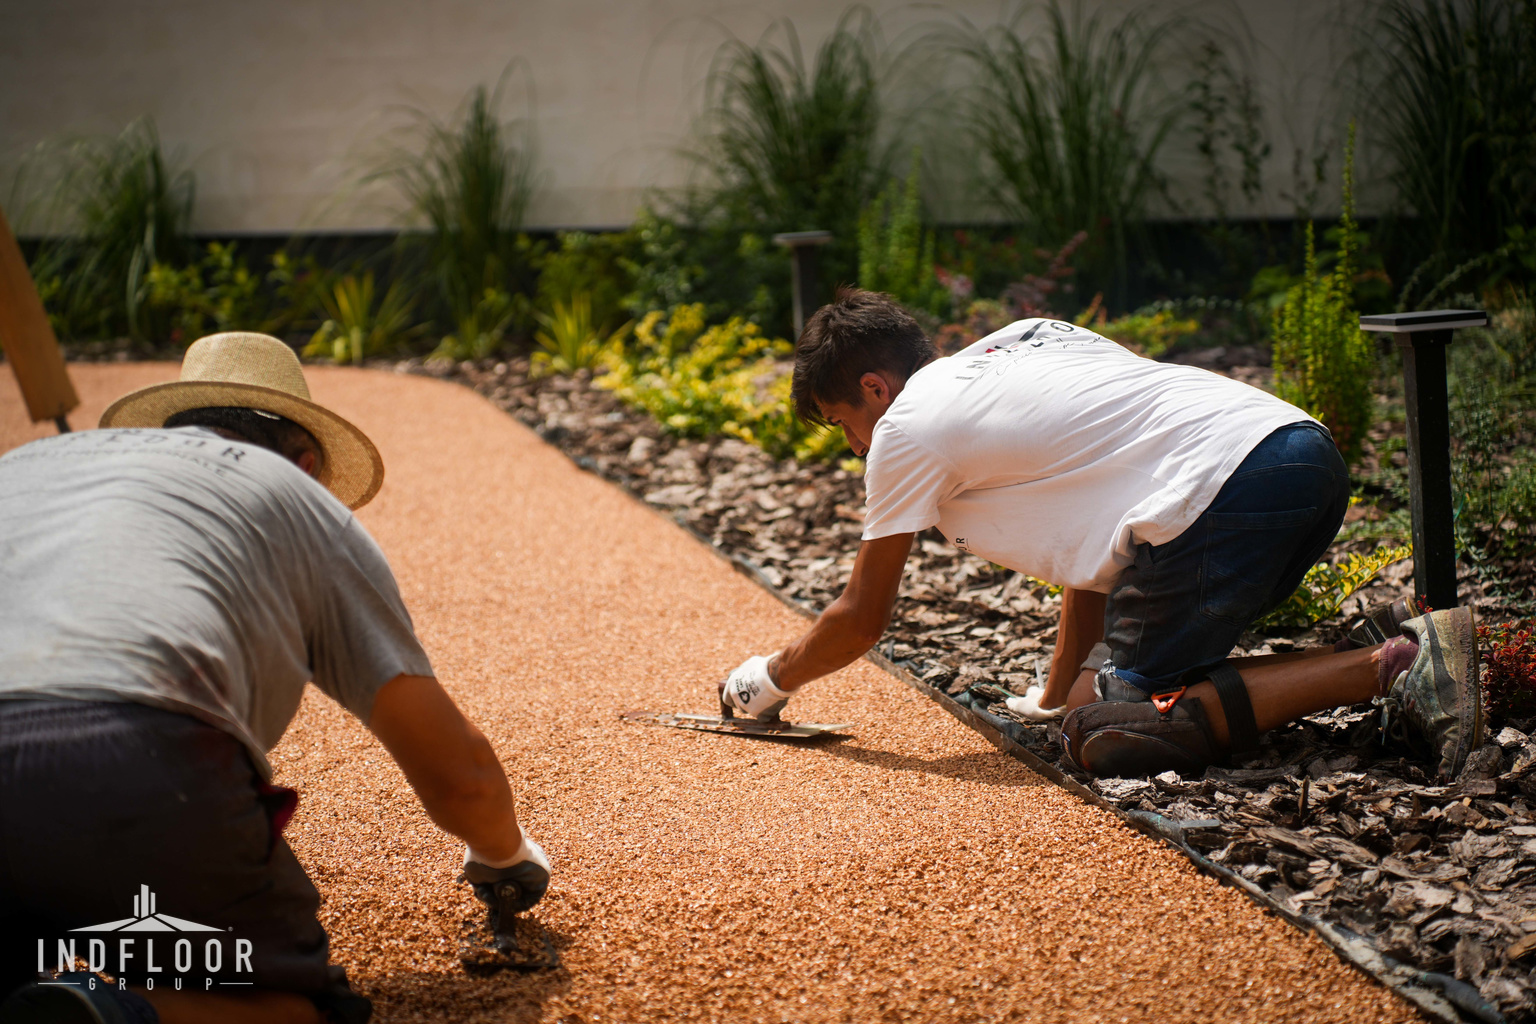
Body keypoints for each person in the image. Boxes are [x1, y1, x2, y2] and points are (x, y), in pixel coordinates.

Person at [0, 333, 549, 1024]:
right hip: (137, 760)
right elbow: (459, 776)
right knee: (293, 1010)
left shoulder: (22, 466)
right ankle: (107, 1012)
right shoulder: (294, 497)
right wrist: (504, 856)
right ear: (308, 463)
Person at [718, 290, 1481, 782]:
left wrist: (767, 680)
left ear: (875, 390)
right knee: (1079, 704)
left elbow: (861, 615)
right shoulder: (1025, 340)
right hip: (1299, 454)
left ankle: (1398, 663)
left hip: (1226, 491)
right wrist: (1052, 695)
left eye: (842, 422)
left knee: (1105, 729)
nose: (853, 445)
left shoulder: (906, 431)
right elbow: (1095, 543)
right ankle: (1384, 640)